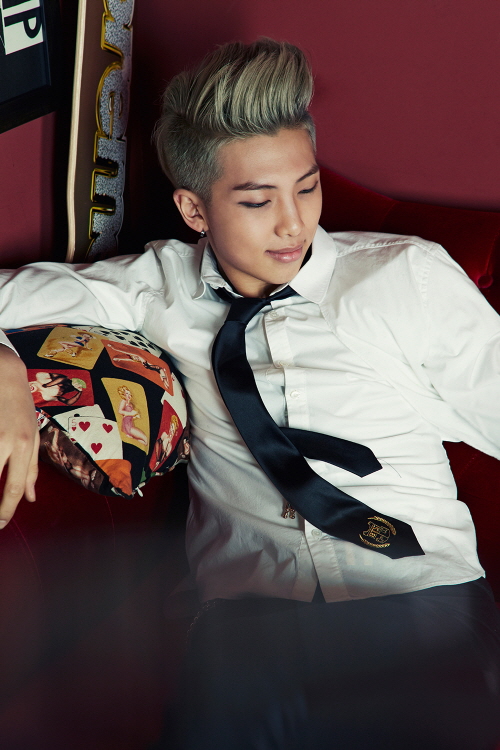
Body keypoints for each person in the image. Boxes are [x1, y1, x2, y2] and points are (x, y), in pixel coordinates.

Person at [0, 38, 499, 749]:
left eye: (307, 187)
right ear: (194, 210)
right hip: (247, 625)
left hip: (419, 596)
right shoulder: (157, 287)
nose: (294, 222)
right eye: (259, 200)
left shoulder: (404, 277)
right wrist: (2, 363)